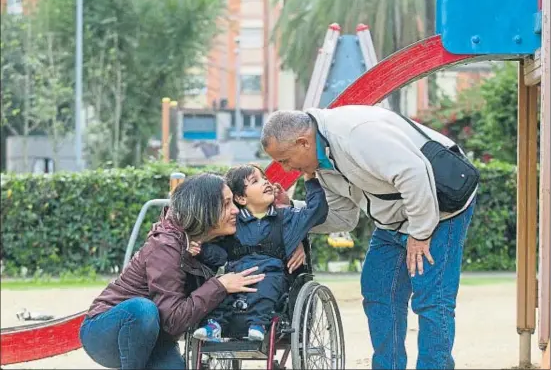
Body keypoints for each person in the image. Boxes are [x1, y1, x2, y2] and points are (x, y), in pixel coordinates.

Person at [260, 105, 477, 370]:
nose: (286, 168)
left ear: (303, 142)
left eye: (284, 159)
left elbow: (413, 172)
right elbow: (343, 217)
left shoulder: (355, 133)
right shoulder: (321, 162)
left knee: (432, 300)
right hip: (395, 219)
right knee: (378, 292)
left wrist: (420, 234)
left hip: (441, 209)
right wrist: (292, 210)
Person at [79, 173, 266, 370]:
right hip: (104, 332)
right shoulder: (165, 246)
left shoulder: (206, 240)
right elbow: (173, 320)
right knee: (143, 309)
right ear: (205, 210)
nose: (235, 210)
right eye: (227, 204)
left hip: (157, 336)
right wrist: (220, 285)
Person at [190, 164, 328, 342]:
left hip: (271, 277)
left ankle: (258, 324)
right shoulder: (232, 222)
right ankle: (214, 325)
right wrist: (200, 250)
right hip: (237, 276)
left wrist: (310, 178)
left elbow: (316, 211)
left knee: (266, 286)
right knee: (219, 288)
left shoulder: (287, 218)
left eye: (265, 178)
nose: (266, 182)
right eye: (256, 181)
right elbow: (219, 255)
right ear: (240, 197)